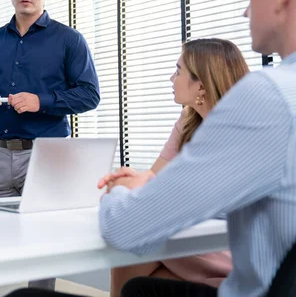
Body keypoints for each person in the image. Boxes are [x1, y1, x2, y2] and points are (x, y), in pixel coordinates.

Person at [97, 0, 296, 297]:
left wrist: (119, 192)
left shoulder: (267, 97)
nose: (244, 10)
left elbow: (126, 228)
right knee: (143, 285)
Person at [0, 0, 99, 296]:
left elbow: (89, 95)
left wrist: (42, 101)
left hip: (46, 157)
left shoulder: (69, 40)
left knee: (43, 246)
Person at [102, 38, 248, 296]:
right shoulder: (188, 119)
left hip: (230, 249)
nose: (171, 78)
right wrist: (136, 178)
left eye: (178, 71)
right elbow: (156, 176)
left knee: (132, 248)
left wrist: (121, 191)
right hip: (191, 240)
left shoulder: (239, 132)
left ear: (201, 84)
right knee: (133, 262)